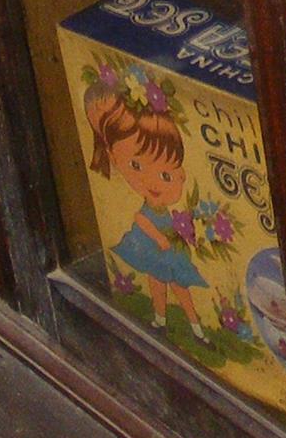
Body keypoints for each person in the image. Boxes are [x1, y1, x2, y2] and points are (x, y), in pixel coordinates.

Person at [83, 74, 209, 334]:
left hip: (167, 249)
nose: (152, 182)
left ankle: (196, 326)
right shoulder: (149, 209)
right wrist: (159, 237)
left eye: (166, 175)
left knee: (179, 286)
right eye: (136, 166)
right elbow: (141, 220)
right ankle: (161, 320)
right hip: (153, 248)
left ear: (180, 175)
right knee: (156, 283)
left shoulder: (171, 213)